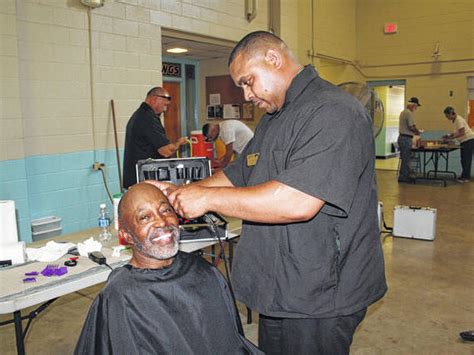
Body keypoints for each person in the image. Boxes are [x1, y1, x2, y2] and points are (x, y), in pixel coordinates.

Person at [149, 31, 387, 354]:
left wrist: (204, 199)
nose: (246, 95)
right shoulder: (275, 119)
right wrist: (182, 192)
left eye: (248, 82)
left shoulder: (333, 112)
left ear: (273, 60)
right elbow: (237, 174)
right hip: (281, 289)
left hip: (322, 295)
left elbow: (298, 201)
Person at [74, 183, 261, 354]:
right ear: (126, 236)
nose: (162, 222)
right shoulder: (119, 297)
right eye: (145, 217)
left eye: (165, 210)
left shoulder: (206, 273)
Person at [123, 87, 188, 189]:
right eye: (165, 105)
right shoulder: (148, 118)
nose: (165, 109)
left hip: (137, 177)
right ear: (154, 99)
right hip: (144, 179)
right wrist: (178, 143)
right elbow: (165, 151)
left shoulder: (139, 115)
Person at [442, 106, 474, 182]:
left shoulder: (458, 120)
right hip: (465, 141)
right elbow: (457, 132)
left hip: (468, 140)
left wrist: (451, 138)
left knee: (466, 159)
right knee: (464, 159)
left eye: (447, 116)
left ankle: (466, 177)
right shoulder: (456, 120)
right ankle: (464, 176)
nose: (447, 118)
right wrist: (449, 135)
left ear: (450, 114)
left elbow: (462, 132)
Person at [397, 97, 423, 183]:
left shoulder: (403, 112)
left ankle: (403, 175)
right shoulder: (409, 113)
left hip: (402, 138)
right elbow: (411, 126)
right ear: (413, 105)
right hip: (406, 139)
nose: (416, 108)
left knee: (404, 158)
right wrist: (418, 131)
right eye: (416, 106)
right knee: (406, 159)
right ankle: (404, 177)